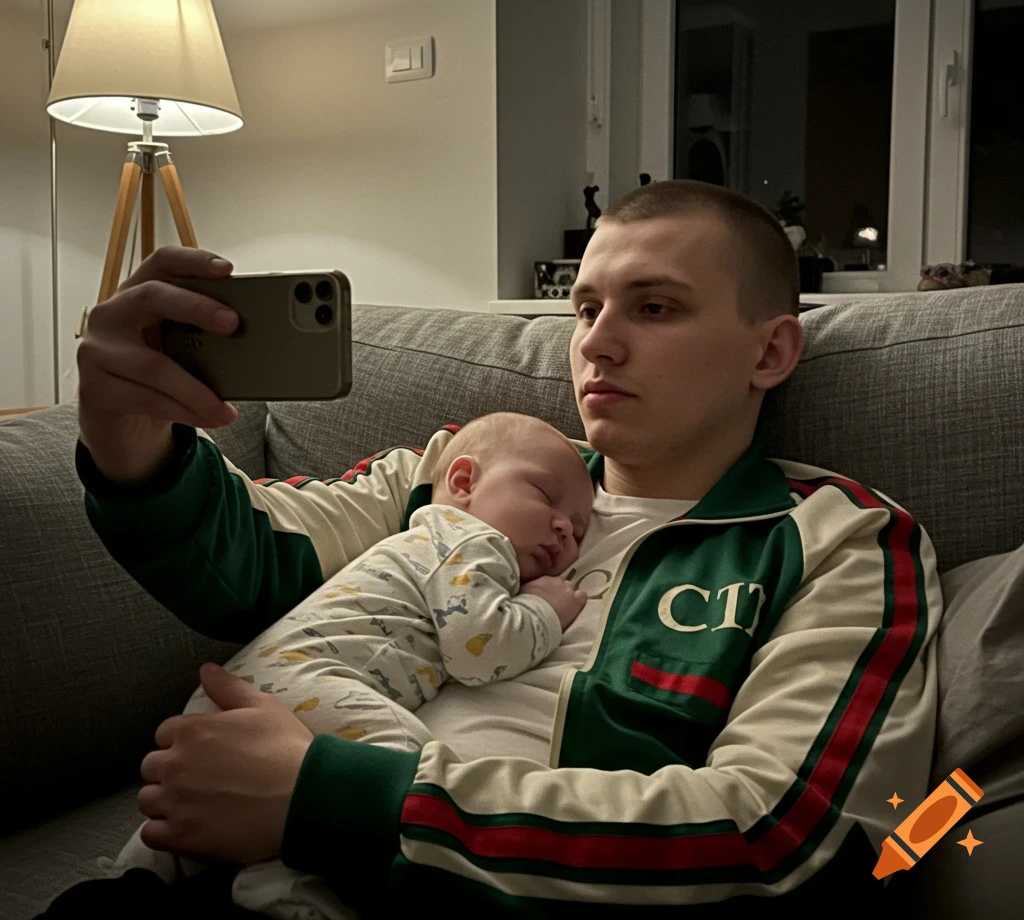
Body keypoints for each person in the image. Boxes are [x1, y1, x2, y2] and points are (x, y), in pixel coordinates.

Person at [45, 179, 940, 919]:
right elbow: (255, 565)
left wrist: (329, 798)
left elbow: (789, 838)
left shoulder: (838, 536)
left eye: (655, 307)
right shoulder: (478, 467)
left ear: (770, 351)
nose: (596, 343)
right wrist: (132, 446)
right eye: (585, 308)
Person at [110, 411, 593, 913]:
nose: (564, 528)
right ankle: (281, 884)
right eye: (545, 497)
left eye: (579, 530)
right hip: (306, 683)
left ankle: (138, 869)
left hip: (254, 687)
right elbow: (480, 650)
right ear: (464, 482)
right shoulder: (470, 540)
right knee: (400, 770)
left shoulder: (424, 544)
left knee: (167, 841)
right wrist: (545, 609)